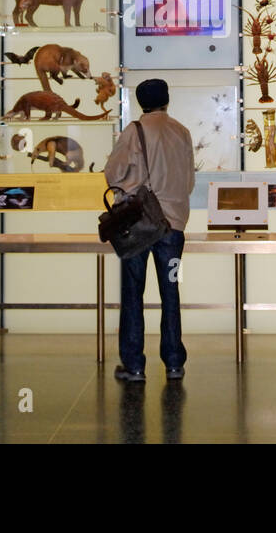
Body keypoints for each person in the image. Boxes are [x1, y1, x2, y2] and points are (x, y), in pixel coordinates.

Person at [103, 78, 195, 383]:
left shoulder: (134, 131)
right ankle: (173, 363)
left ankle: (135, 365)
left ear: (141, 102)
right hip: (174, 228)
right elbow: (189, 182)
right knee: (171, 291)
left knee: (133, 292)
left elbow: (113, 174)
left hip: (140, 226)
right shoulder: (182, 132)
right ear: (167, 100)